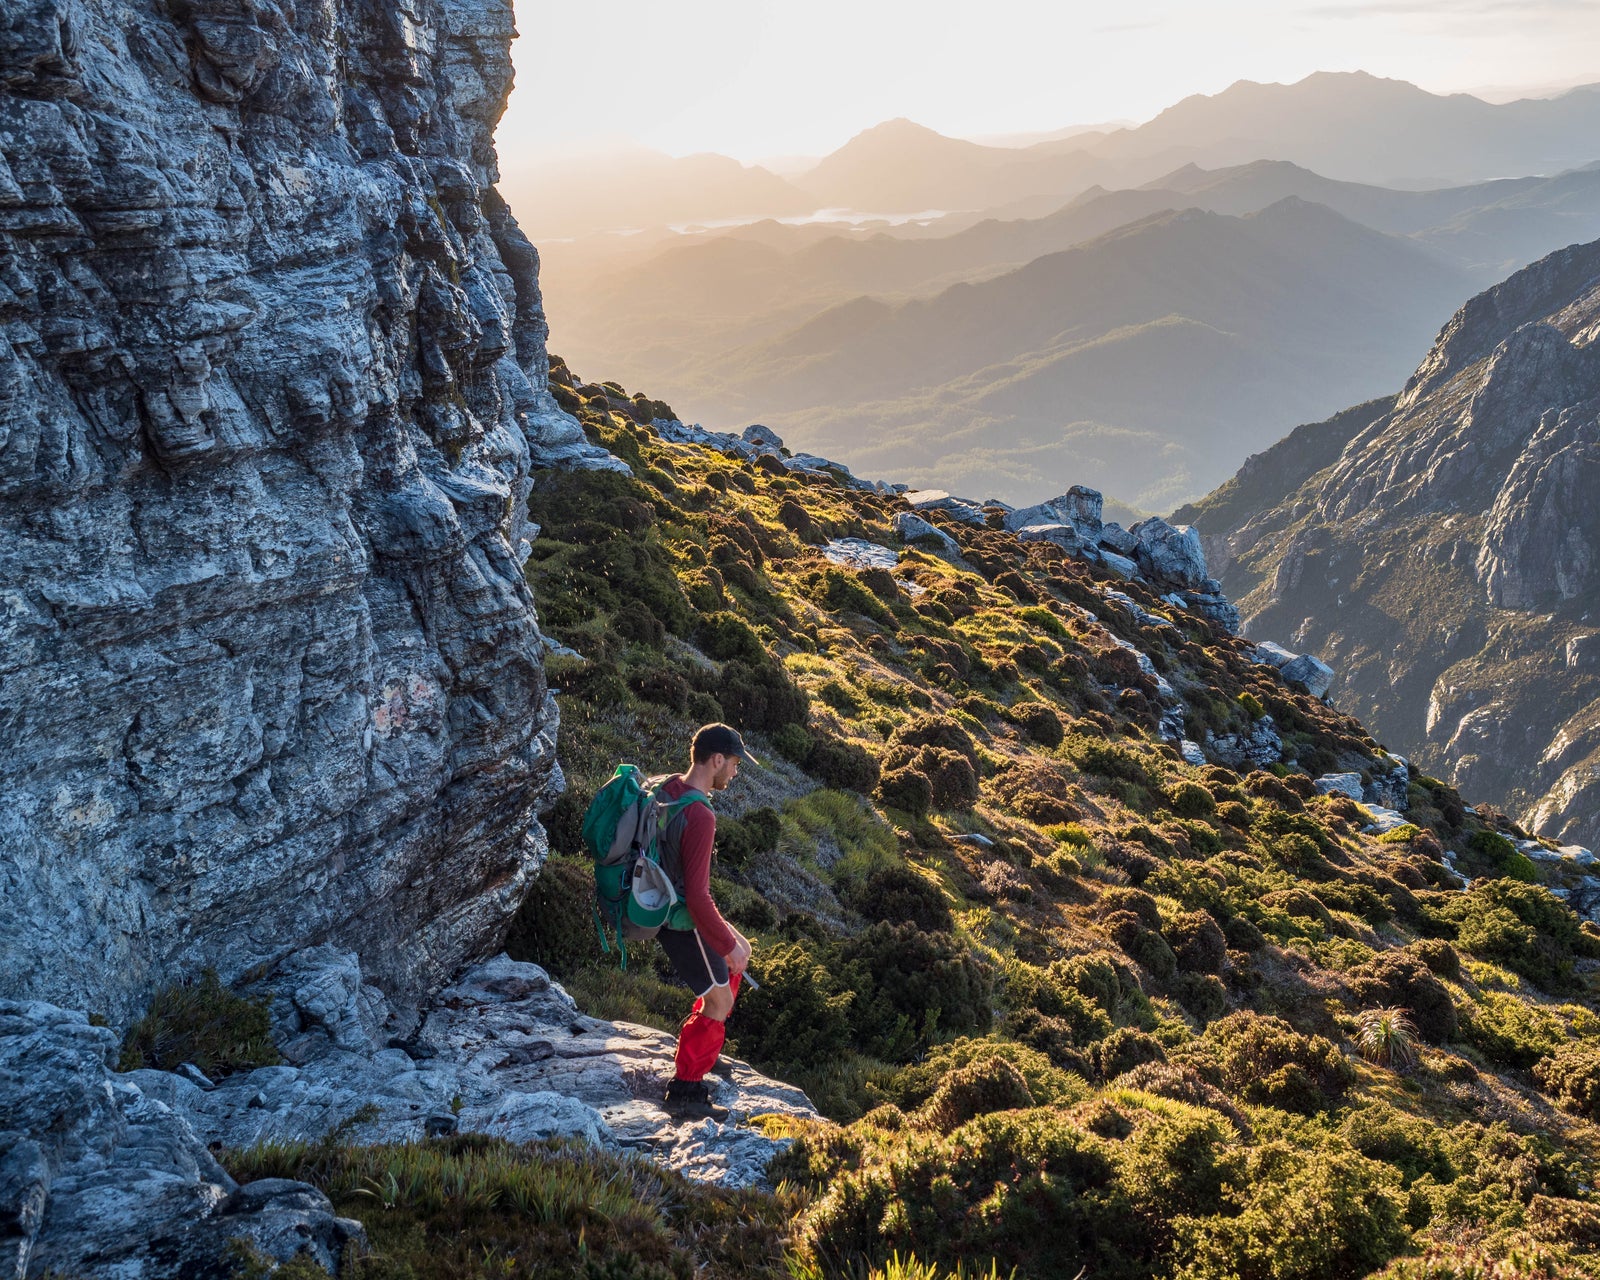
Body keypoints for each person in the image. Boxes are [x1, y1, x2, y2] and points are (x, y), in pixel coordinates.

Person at [655, 723, 758, 1118]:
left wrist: (733, 944)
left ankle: (702, 1050)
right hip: (680, 919)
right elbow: (698, 897)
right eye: (733, 764)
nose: (734, 772)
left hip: (662, 900)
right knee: (721, 999)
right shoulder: (700, 815)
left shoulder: (669, 788)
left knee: (742, 951)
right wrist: (725, 944)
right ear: (716, 760)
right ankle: (686, 1089)